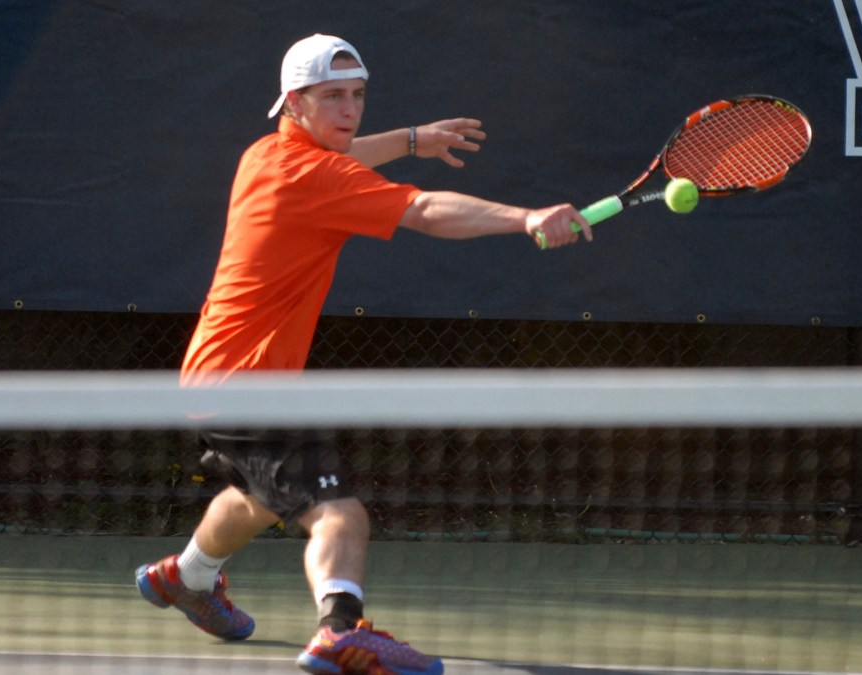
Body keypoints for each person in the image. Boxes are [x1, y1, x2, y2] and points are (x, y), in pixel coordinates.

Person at [135, 33, 591, 675]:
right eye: (332, 97)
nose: (350, 109)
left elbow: (343, 151)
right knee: (338, 513)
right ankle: (340, 632)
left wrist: (412, 139)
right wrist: (525, 218)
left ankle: (185, 578)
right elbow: (425, 209)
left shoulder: (264, 153)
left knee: (257, 498)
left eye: (357, 94)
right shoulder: (318, 176)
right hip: (247, 384)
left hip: (213, 375)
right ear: (295, 102)